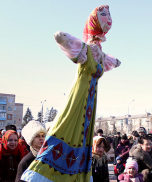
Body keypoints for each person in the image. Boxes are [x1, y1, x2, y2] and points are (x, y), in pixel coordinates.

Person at [21, 5, 121, 182]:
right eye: (103, 15)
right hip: (79, 95)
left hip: (91, 99)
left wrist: (115, 61)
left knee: (83, 135)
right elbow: (64, 39)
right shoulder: (86, 49)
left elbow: (111, 61)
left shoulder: (99, 54)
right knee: (67, 124)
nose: (108, 18)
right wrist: (62, 38)